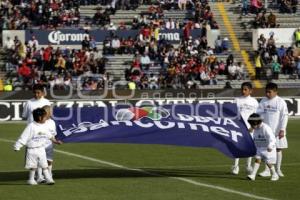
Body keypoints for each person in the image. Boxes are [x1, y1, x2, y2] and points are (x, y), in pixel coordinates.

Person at [14, 108, 61, 185]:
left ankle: (48, 179)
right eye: (45, 117)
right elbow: (23, 137)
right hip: (32, 150)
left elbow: (49, 135)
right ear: (40, 117)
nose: (46, 119)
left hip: (41, 149)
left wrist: (55, 141)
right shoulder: (31, 126)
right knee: (33, 166)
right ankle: (31, 179)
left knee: (44, 164)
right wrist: (17, 146)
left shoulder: (44, 126)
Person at [257, 82, 288, 177]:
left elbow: (284, 116)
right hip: (266, 130)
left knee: (278, 149)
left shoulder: (280, 102)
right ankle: (267, 170)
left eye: (269, 92)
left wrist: (282, 129)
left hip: (277, 130)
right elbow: (258, 114)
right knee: (266, 150)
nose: (267, 94)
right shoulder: (263, 101)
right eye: (266, 92)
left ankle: (278, 169)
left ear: (275, 92)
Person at [22, 84, 51, 182]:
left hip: (43, 131)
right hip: (32, 133)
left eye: (38, 92)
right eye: (35, 92)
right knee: (33, 155)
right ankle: (35, 176)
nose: (36, 94)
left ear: (43, 92)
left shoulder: (46, 102)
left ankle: (41, 176)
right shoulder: (29, 102)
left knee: (43, 154)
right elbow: (25, 115)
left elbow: (49, 116)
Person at [232, 82, 259, 175]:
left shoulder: (254, 102)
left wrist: (253, 126)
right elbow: (233, 114)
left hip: (250, 128)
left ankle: (248, 165)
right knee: (237, 146)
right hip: (239, 127)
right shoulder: (237, 100)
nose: (243, 91)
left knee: (249, 146)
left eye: (245, 89)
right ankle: (235, 166)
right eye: (242, 89)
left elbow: (256, 116)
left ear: (250, 90)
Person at [247, 113, 279, 181]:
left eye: (252, 124)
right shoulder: (255, 128)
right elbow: (254, 136)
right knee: (257, 159)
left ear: (257, 122)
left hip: (267, 148)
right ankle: (253, 175)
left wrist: (270, 146)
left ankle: (274, 174)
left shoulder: (265, 128)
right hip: (259, 147)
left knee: (269, 163)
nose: (251, 126)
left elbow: (272, 138)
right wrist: (250, 130)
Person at [42, 105, 57, 179]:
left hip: (49, 144)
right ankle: (40, 176)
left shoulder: (52, 122)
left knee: (49, 160)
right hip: (40, 144)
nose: (51, 113)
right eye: (49, 112)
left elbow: (53, 133)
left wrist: (54, 140)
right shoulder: (40, 121)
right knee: (40, 160)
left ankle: (49, 173)